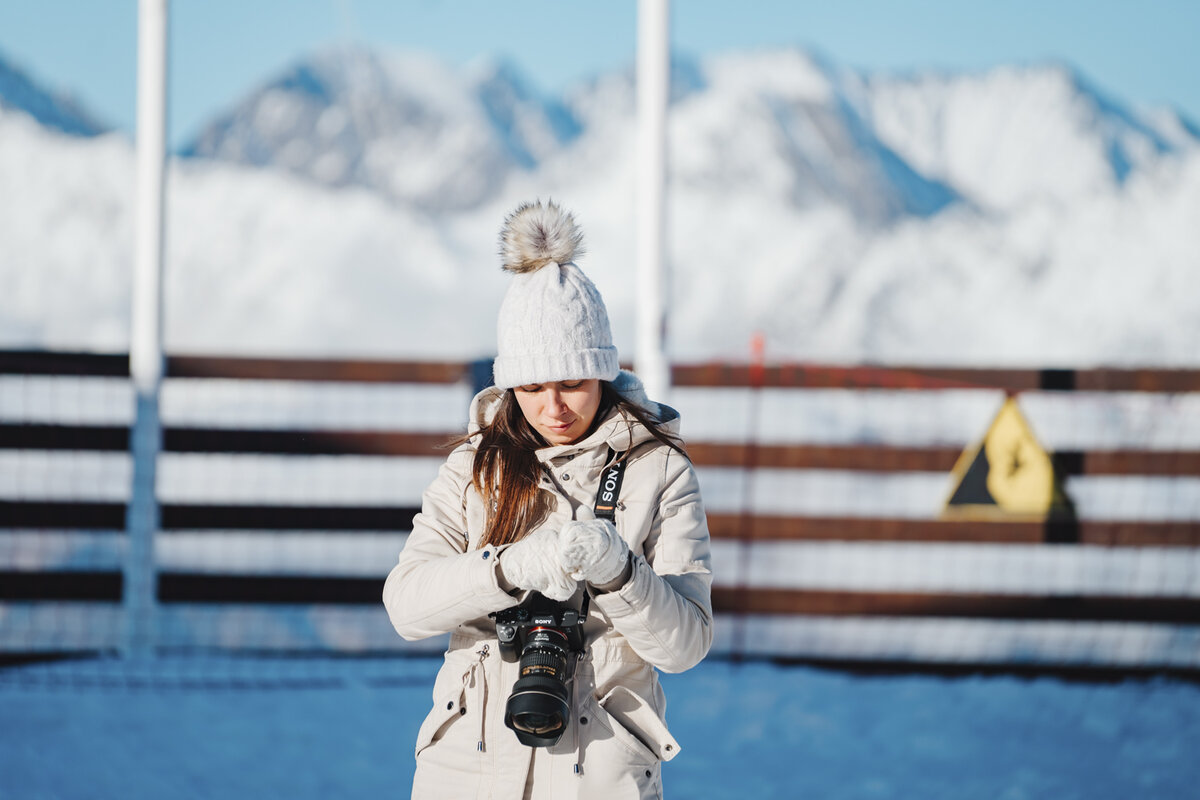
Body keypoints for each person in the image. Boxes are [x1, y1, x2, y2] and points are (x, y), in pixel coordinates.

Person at [383, 199, 713, 800]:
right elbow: (404, 607)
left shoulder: (658, 470)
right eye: (532, 387)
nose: (553, 408)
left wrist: (621, 572)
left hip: (603, 774)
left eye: (572, 384)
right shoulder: (473, 468)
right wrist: (507, 570)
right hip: (464, 772)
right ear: (509, 385)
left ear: (604, 376)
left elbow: (686, 646)